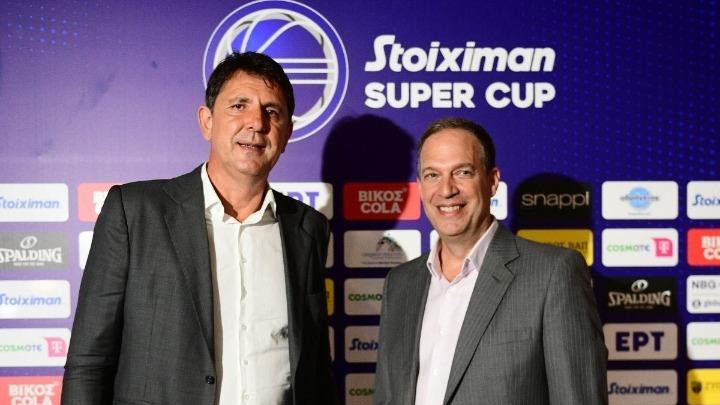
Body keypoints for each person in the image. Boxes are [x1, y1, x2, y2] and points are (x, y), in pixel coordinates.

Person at [62, 52, 337, 405]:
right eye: (239, 106)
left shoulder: (308, 228)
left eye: (272, 111)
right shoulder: (135, 212)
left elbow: (315, 372)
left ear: (286, 134)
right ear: (207, 121)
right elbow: (88, 363)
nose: (256, 122)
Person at [373, 118, 607, 405]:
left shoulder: (553, 274)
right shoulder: (400, 283)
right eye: (432, 175)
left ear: (492, 181)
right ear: (420, 187)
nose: (446, 190)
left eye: (462, 172)